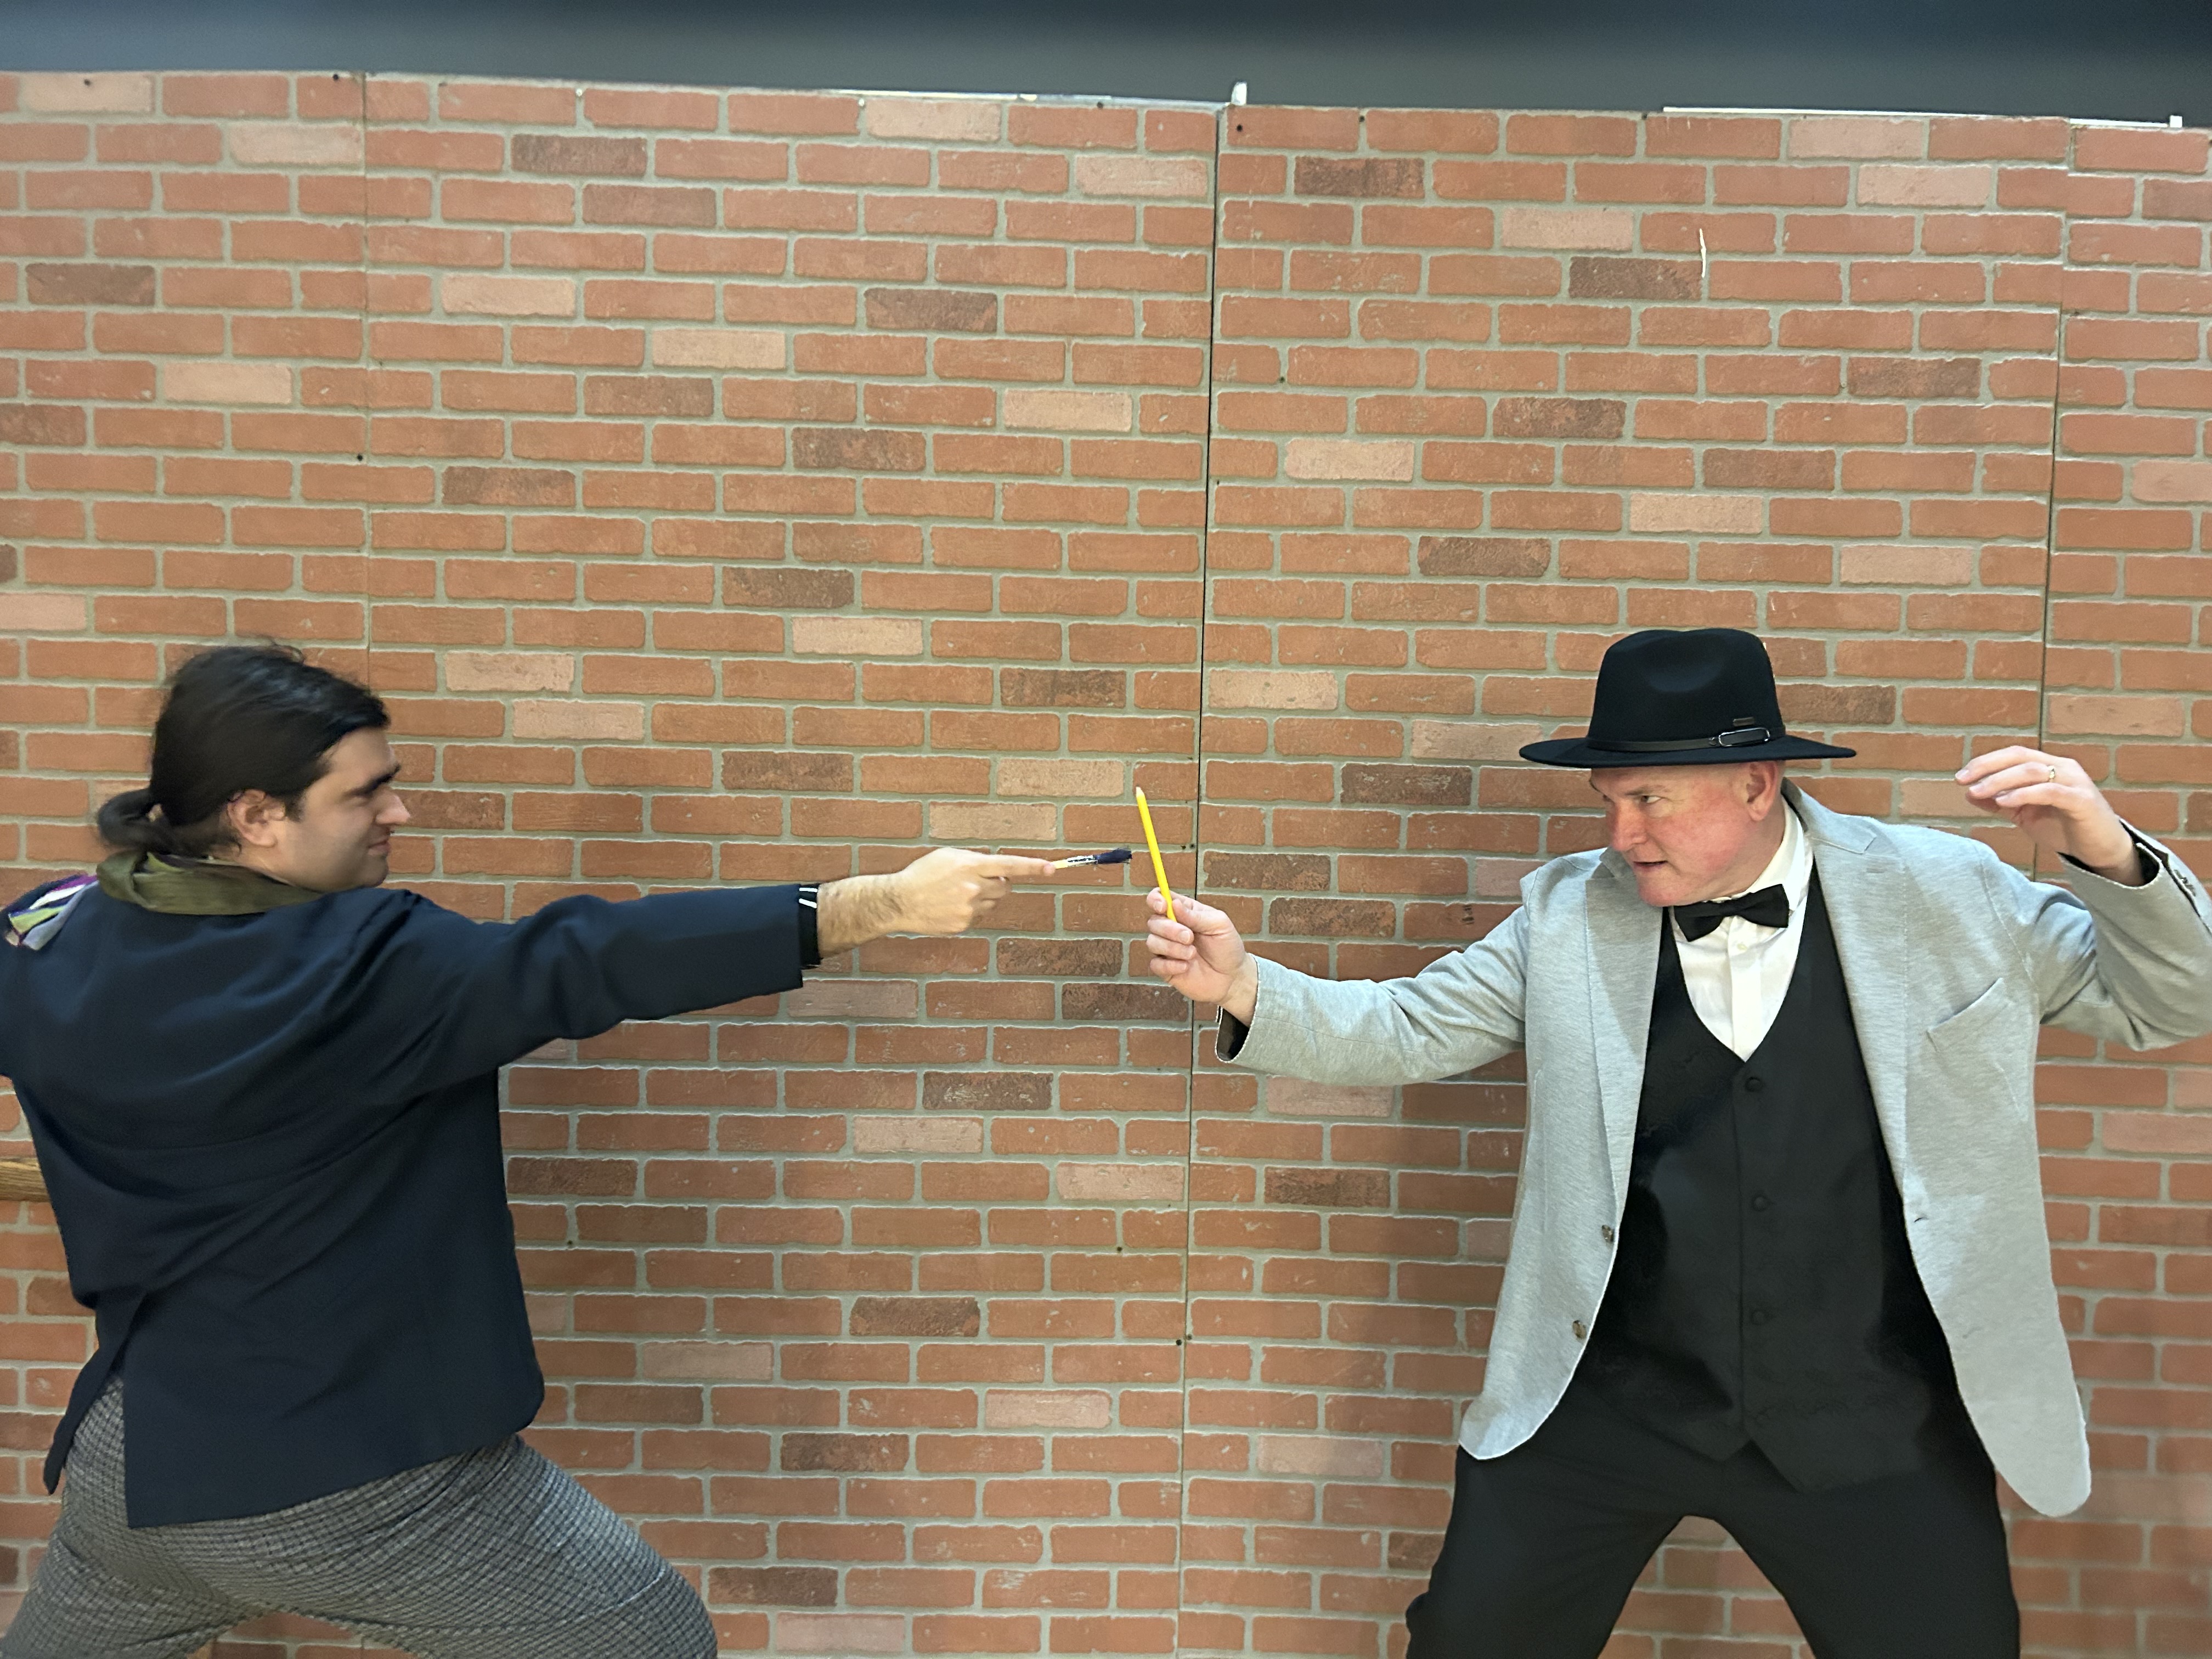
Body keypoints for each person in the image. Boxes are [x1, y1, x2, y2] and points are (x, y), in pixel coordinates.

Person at [1142, 627, 2212, 1659]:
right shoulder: (1567, 912)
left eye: (1649, 800)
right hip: (1611, 1400)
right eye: (1609, 801)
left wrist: (2108, 855)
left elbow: (2174, 1001)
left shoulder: (1950, 890)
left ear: (1757, 785)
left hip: (1875, 1410)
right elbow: (1411, 1026)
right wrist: (1243, 984)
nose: (1623, 835)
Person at [0, 644, 1051, 1659]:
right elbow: (590, 960)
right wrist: (886, 903)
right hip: (355, 1480)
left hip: (136, 1466)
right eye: (366, 794)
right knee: (649, 1642)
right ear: (257, 815)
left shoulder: (50, 933)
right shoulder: (362, 968)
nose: (397, 813)